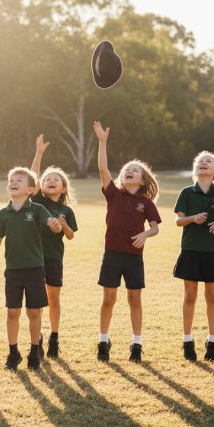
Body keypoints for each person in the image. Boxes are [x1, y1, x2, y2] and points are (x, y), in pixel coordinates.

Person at [0, 167, 63, 370]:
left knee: (34, 312)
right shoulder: (3, 214)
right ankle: (13, 353)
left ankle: (34, 352)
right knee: (12, 312)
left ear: (30, 190)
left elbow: (55, 228)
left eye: (19, 181)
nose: (13, 183)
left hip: (35, 270)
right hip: (13, 271)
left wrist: (55, 225)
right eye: (11, 180)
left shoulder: (38, 210)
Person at [92, 121, 161, 363]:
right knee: (109, 299)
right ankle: (103, 340)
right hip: (111, 254)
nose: (129, 171)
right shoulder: (115, 194)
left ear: (142, 181)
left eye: (135, 170)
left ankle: (136, 343)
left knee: (134, 299)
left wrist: (145, 234)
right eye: (126, 169)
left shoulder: (146, 203)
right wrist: (102, 142)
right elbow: (102, 170)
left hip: (133, 257)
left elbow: (155, 228)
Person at [173, 151, 214, 361]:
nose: (203, 163)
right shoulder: (186, 192)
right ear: (195, 170)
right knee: (190, 296)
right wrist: (192, 218)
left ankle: (212, 341)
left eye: (208, 162)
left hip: (212, 253)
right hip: (190, 251)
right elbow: (178, 221)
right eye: (200, 161)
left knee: (212, 297)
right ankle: (187, 340)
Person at [29, 134, 79, 359]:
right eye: (47, 178)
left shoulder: (66, 211)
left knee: (53, 299)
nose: (50, 180)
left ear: (63, 188)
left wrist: (64, 226)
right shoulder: (37, 202)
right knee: (37, 299)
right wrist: (39, 153)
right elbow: (32, 176)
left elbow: (70, 237)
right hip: (34, 258)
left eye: (55, 179)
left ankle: (54, 337)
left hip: (53, 258)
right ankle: (36, 336)